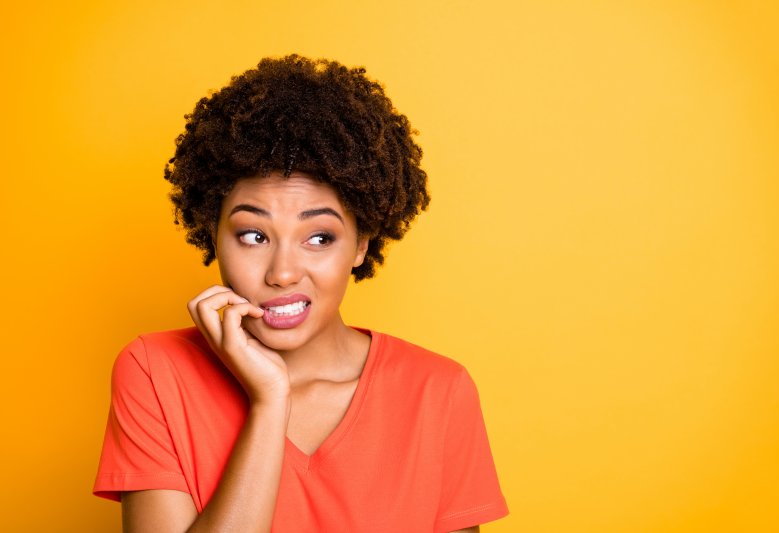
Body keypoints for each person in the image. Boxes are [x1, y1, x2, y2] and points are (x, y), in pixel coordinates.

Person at [93, 54, 509, 532]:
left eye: (319, 238)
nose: (284, 273)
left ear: (362, 244)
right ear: (213, 236)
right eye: (253, 235)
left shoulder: (437, 391)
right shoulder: (154, 371)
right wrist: (270, 401)